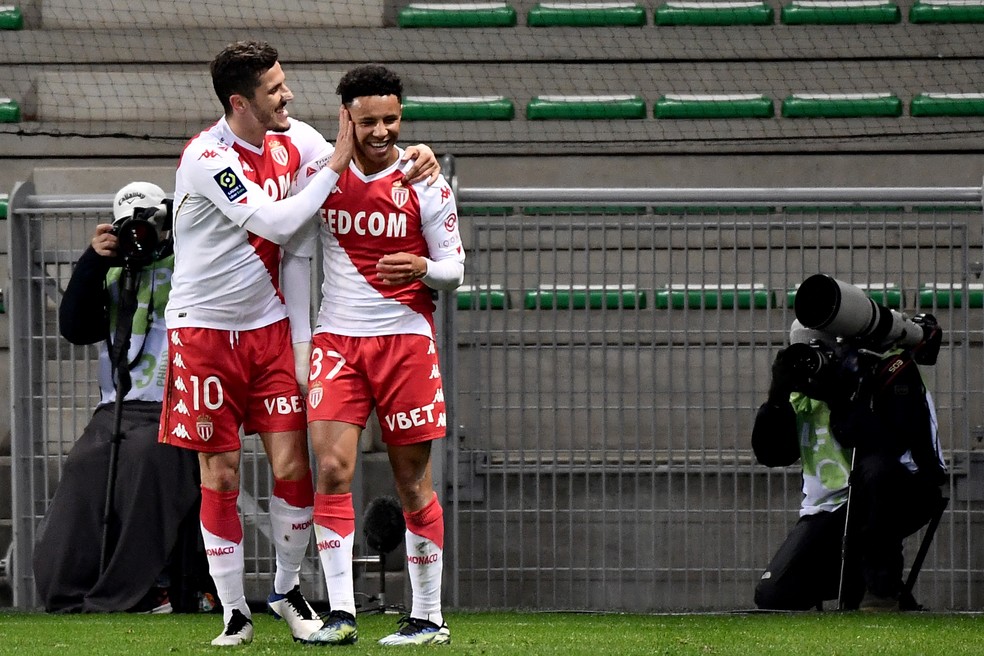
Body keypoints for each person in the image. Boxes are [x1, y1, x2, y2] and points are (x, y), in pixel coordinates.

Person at [156, 41, 440, 646]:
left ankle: (285, 590)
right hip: (202, 331)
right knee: (223, 470)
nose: (288, 96)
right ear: (241, 102)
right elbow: (282, 223)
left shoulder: (298, 140)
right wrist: (338, 159)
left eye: (285, 83)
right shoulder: (208, 157)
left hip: (269, 332)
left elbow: (369, 148)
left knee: (295, 468)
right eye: (275, 89)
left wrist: (420, 154)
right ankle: (234, 610)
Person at [287, 63, 464, 647]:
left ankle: (429, 617)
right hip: (337, 341)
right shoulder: (320, 174)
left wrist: (422, 268)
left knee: (413, 481)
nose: (382, 130)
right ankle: (341, 614)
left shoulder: (426, 181)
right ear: (346, 118)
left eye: (391, 118)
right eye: (368, 121)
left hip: (406, 342)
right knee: (332, 470)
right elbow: (284, 225)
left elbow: (454, 271)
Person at [33, 181, 204, 614]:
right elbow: (75, 328)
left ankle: (138, 590)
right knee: (83, 466)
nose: (138, 233)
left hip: (176, 406)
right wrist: (93, 260)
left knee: (147, 461)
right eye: (131, 223)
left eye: (148, 220)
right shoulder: (110, 269)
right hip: (114, 407)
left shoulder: (189, 259)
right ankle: (67, 589)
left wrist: (174, 223)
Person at [751, 319, 948, 611]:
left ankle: (881, 591)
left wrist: (840, 398)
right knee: (773, 596)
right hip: (831, 508)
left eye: (822, 353)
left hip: (905, 490)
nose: (814, 362)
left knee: (875, 472)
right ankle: (863, 585)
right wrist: (777, 396)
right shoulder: (801, 390)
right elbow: (771, 454)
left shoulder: (885, 370)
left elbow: (890, 444)